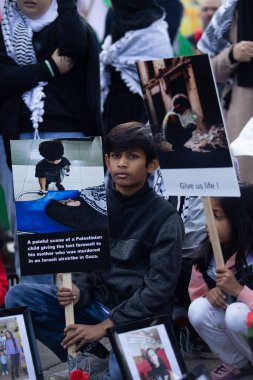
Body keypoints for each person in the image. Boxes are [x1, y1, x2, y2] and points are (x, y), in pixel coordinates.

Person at [5, 122, 184, 379]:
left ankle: (114, 358)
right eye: (116, 156)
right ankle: (92, 354)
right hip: (97, 303)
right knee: (19, 297)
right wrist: (78, 289)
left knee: (124, 375)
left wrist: (105, 326)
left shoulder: (165, 218)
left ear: (151, 164)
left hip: (141, 317)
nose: (122, 163)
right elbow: (83, 260)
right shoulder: (94, 203)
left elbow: (159, 289)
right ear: (106, 161)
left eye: (132, 156)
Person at [0, 0, 102, 283]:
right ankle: (39, 316)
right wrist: (48, 68)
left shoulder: (70, 26)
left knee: (76, 243)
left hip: (72, 142)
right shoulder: (5, 30)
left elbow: (73, 46)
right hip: (20, 142)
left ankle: (77, 316)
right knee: (34, 241)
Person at [188, 182, 253, 380]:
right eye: (208, 215)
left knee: (236, 313)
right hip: (240, 335)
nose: (207, 223)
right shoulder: (209, 255)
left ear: (242, 220)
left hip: (243, 317)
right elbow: (196, 291)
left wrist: (239, 291)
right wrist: (209, 295)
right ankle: (239, 363)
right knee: (198, 309)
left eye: (217, 216)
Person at [197, 0, 253, 183]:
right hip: (243, 112)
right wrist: (231, 54)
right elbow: (203, 71)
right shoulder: (232, 12)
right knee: (244, 187)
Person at [100, 0, 173, 133]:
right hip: (112, 108)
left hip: (140, 111)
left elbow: (161, 79)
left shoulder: (154, 34)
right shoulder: (115, 14)